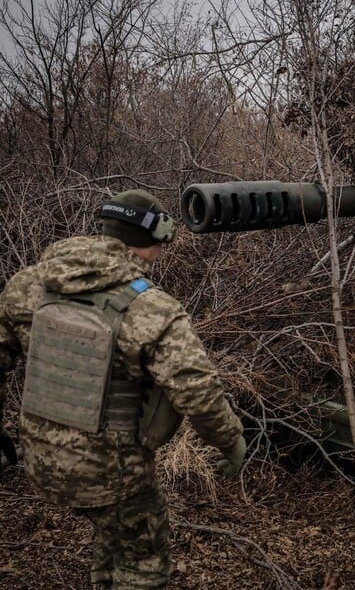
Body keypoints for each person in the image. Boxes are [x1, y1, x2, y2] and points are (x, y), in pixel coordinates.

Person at [0, 189, 246, 589]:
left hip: (41, 461)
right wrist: (231, 441)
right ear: (153, 240)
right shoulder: (151, 308)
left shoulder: (29, 285)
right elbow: (197, 390)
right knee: (142, 561)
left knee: (111, 530)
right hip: (114, 473)